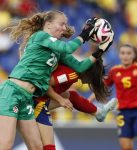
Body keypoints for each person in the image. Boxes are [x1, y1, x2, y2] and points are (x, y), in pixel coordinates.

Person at [0, 10, 103, 149]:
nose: (64, 28)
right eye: (61, 24)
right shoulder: (41, 36)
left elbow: (79, 67)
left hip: (27, 97)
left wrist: (100, 51)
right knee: (6, 144)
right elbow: (67, 47)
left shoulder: (56, 50)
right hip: (13, 92)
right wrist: (84, 35)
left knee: (36, 147)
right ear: (48, 24)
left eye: (65, 25)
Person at [34, 61, 117, 150]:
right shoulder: (71, 74)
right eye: (93, 79)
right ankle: (99, 113)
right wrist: (60, 100)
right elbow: (44, 83)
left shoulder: (73, 72)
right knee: (47, 146)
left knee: (71, 96)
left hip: (38, 98)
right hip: (36, 102)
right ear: (89, 73)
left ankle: (99, 113)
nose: (91, 82)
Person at [104, 44, 137, 150]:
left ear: (133, 55)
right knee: (126, 147)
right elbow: (103, 88)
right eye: (123, 53)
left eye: (128, 53)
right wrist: (90, 100)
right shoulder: (114, 71)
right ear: (119, 55)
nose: (125, 56)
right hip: (123, 113)